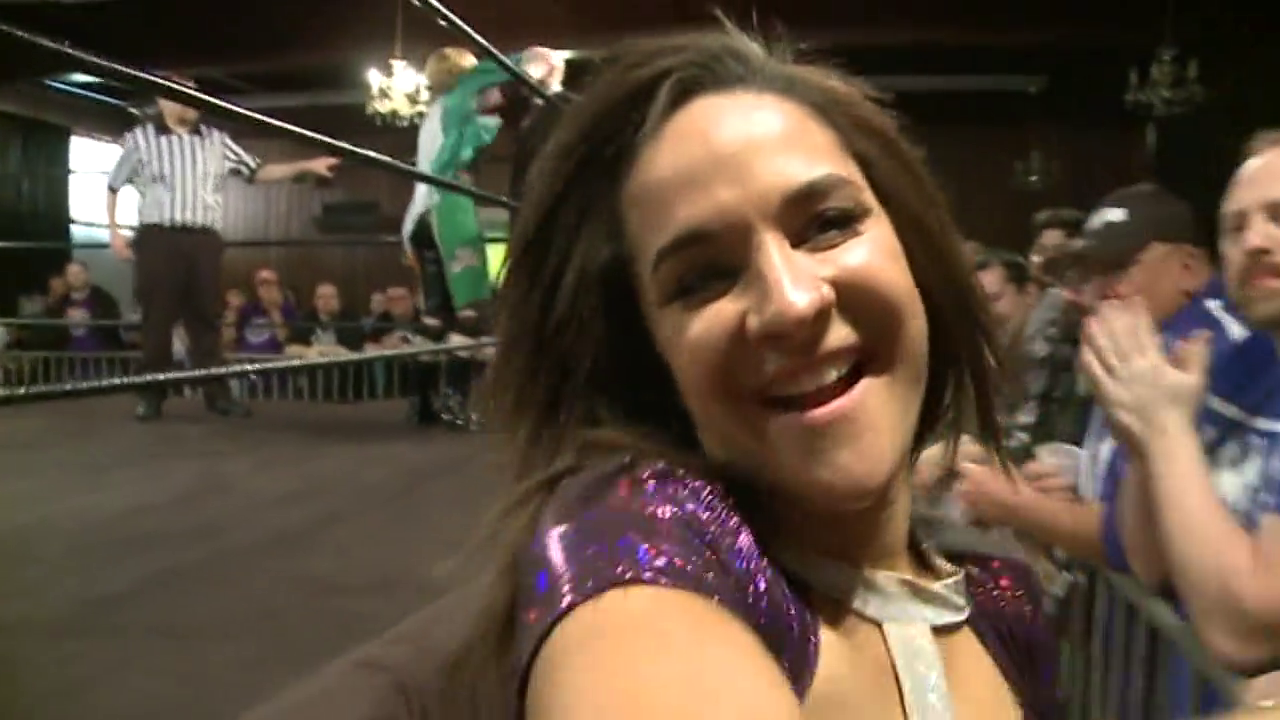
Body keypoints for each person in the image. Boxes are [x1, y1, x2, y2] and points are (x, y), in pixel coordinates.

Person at [424, 28, 1057, 719]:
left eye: (828, 224)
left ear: (914, 246)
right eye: (702, 278)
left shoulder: (1005, 605)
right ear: (645, 352)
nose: (792, 303)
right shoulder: (636, 541)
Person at [1088, 135, 1280, 712]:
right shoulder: (1244, 366)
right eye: (1235, 227)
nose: (1255, 241)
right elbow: (1148, 563)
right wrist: (1141, 436)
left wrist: (1165, 427)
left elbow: (1244, 629)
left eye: (1278, 217)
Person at [105, 74, 340, 422]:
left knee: (206, 317)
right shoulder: (141, 138)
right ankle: (151, 395)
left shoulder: (216, 140)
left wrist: (303, 166)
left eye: (193, 95)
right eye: (180, 95)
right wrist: (114, 232)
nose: (190, 102)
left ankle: (217, 395)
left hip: (203, 238)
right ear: (163, 101)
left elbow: (257, 170)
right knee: (157, 317)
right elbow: (113, 185)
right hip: (159, 237)